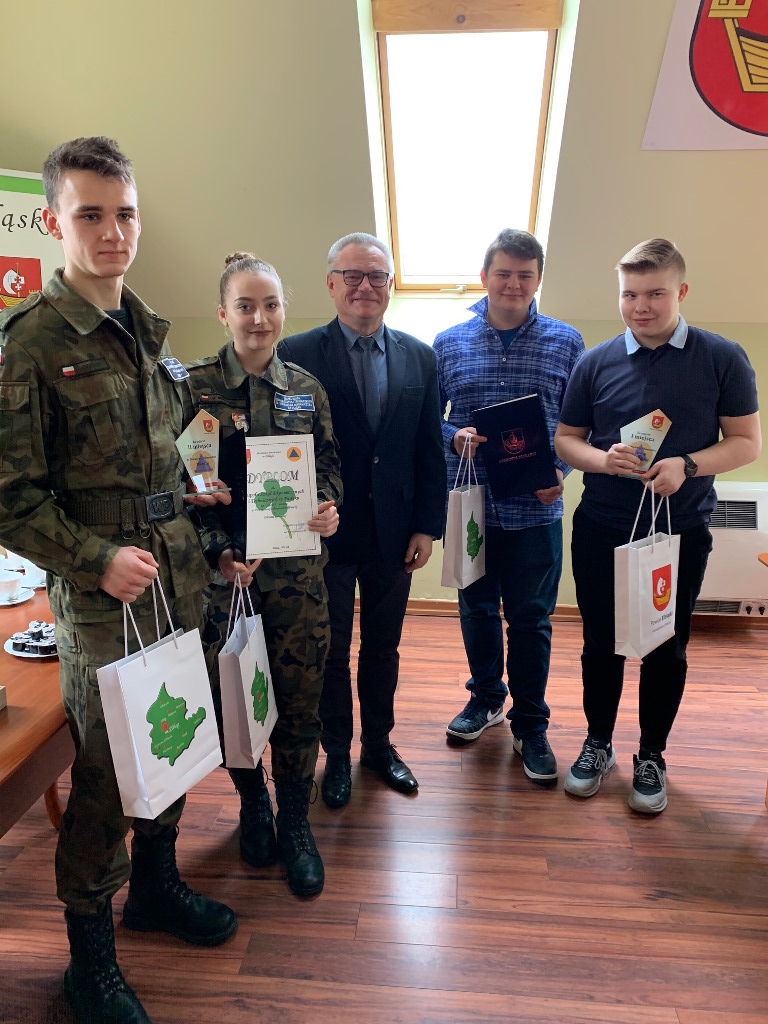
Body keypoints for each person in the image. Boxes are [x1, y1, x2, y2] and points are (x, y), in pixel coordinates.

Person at [0, 137, 237, 1024]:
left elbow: (157, 453)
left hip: (175, 573)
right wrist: (96, 558)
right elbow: (10, 498)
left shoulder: (146, 329)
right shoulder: (30, 342)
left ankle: (156, 891)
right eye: (91, 214)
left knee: (171, 736)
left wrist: (194, 500)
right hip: (103, 594)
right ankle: (88, 962)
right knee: (104, 769)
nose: (113, 231)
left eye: (126, 213)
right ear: (52, 221)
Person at [555, 237, 761, 813]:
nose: (640, 306)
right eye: (629, 294)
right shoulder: (595, 361)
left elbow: (746, 442)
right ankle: (598, 743)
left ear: (681, 292)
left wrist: (687, 465)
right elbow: (566, 440)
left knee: (666, 646)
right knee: (601, 644)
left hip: (679, 531)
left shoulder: (723, 357)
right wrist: (603, 460)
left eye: (654, 294)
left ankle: (652, 754)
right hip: (601, 526)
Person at [186, 252, 342, 898]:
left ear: (284, 311)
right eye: (245, 306)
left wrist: (329, 506)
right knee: (233, 700)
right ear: (223, 313)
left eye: (271, 305)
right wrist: (217, 550)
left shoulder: (306, 388)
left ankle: (296, 820)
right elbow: (182, 486)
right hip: (225, 584)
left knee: (301, 703)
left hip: (296, 580)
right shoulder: (193, 389)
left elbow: (328, 467)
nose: (260, 318)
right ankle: (254, 803)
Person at [279, 232, 446, 807]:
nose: (364, 286)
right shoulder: (296, 353)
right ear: (331, 284)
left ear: (390, 285)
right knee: (329, 650)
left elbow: (429, 449)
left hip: (394, 533)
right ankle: (337, 753)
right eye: (352, 275)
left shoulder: (421, 357)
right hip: (323, 531)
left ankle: (378, 744)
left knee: (383, 648)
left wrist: (427, 525)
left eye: (376, 276)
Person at [434, 229, 585, 785]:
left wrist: (561, 471)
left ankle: (531, 723)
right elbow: (428, 420)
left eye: (525, 274)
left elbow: (584, 424)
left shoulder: (567, 342)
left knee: (531, 619)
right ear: (485, 277)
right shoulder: (448, 343)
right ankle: (486, 699)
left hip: (535, 512)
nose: (514, 284)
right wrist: (454, 437)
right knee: (475, 610)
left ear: (538, 279)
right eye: (503, 273)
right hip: (471, 507)